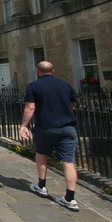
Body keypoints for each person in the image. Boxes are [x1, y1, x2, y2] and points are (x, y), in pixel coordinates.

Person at [20, 61, 80, 211]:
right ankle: (70, 198)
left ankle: (41, 186)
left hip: (46, 127)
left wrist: (24, 125)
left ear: (38, 72)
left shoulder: (34, 86)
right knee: (68, 161)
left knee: (41, 154)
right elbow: (73, 105)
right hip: (68, 127)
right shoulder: (65, 85)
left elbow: (30, 107)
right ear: (52, 71)